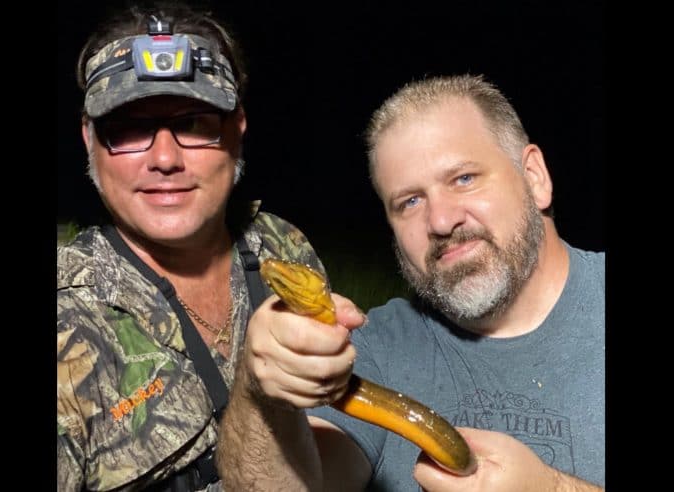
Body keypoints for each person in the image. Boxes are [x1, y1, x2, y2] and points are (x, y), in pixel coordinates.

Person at [216, 74, 604, 491]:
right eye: (410, 202)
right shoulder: (370, 349)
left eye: (464, 179)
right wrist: (261, 396)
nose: (440, 221)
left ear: (534, 177)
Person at [56, 2, 330, 490]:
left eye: (195, 123)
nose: (165, 158)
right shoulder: (66, 322)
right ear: (89, 138)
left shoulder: (281, 247)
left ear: (237, 130)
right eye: (129, 127)